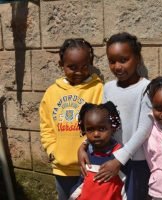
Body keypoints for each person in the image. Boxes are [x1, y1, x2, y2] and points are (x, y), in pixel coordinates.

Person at [78, 32, 153, 200]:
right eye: (112, 61)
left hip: (136, 162)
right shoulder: (109, 88)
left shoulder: (146, 88)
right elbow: (101, 122)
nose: (117, 66)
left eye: (124, 60)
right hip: (108, 158)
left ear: (137, 58)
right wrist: (83, 146)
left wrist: (120, 160)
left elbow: (144, 129)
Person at [39, 38, 103, 200]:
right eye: (72, 67)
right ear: (61, 64)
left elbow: (105, 125)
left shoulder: (99, 90)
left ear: (90, 63)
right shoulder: (52, 92)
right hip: (63, 168)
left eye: (84, 67)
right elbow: (46, 125)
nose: (79, 72)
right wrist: (52, 149)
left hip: (91, 166)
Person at [69, 101, 126, 200]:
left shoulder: (120, 156)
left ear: (112, 128)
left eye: (102, 129)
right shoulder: (86, 154)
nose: (96, 134)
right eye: (90, 129)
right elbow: (82, 183)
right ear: (84, 130)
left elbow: (127, 187)